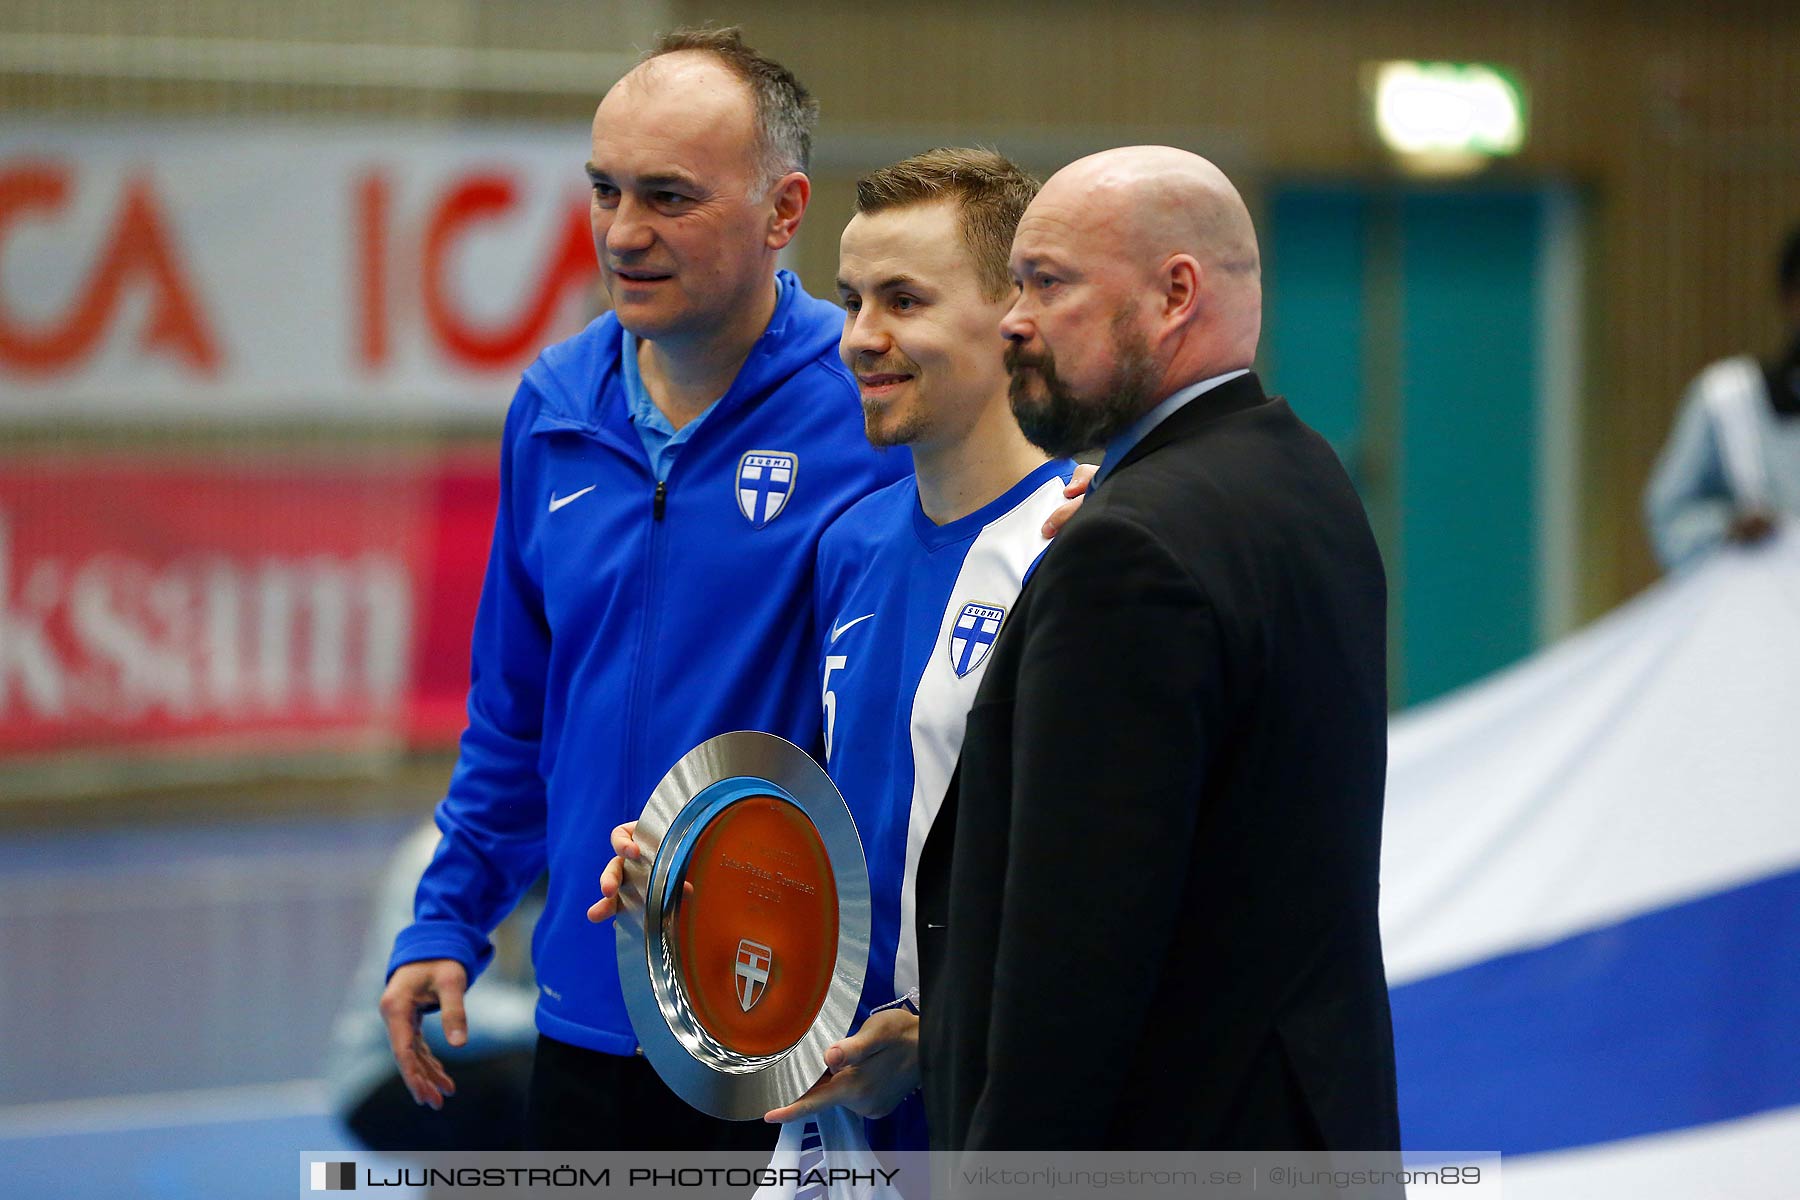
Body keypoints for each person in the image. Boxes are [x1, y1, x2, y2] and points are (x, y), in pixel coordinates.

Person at [377, 27, 909, 1152]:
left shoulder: (874, 410)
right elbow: (515, 715)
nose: (624, 233)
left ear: (784, 210)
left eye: (669, 197)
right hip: (583, 1011)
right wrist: (449, 917)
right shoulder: (555, 407)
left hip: (779, 1030)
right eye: (604, 191)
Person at [589, 149, 1086, 1160]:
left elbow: (1100, 886)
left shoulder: (1078, 546)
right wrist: (690, 877)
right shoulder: (850, 545)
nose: (862, 338)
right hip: (843, 1121)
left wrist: (939, 1033)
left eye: (904, 301)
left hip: (1007, 1118)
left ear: (1014, 316)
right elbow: (837, 836)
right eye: (852, 299)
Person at [916, 146, 1402, 1152]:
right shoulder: (1300, 478)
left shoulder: (1130, 553)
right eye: (1015, 285)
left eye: (1048, 284)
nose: (1014, 319)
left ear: (1175, 294)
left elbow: (1074, 971)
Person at [1644, 224, 1800, 571]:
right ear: (1791, 299)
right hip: (1760, 609)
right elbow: (1669, 516)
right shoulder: (1729, 399)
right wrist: (1727, 526)